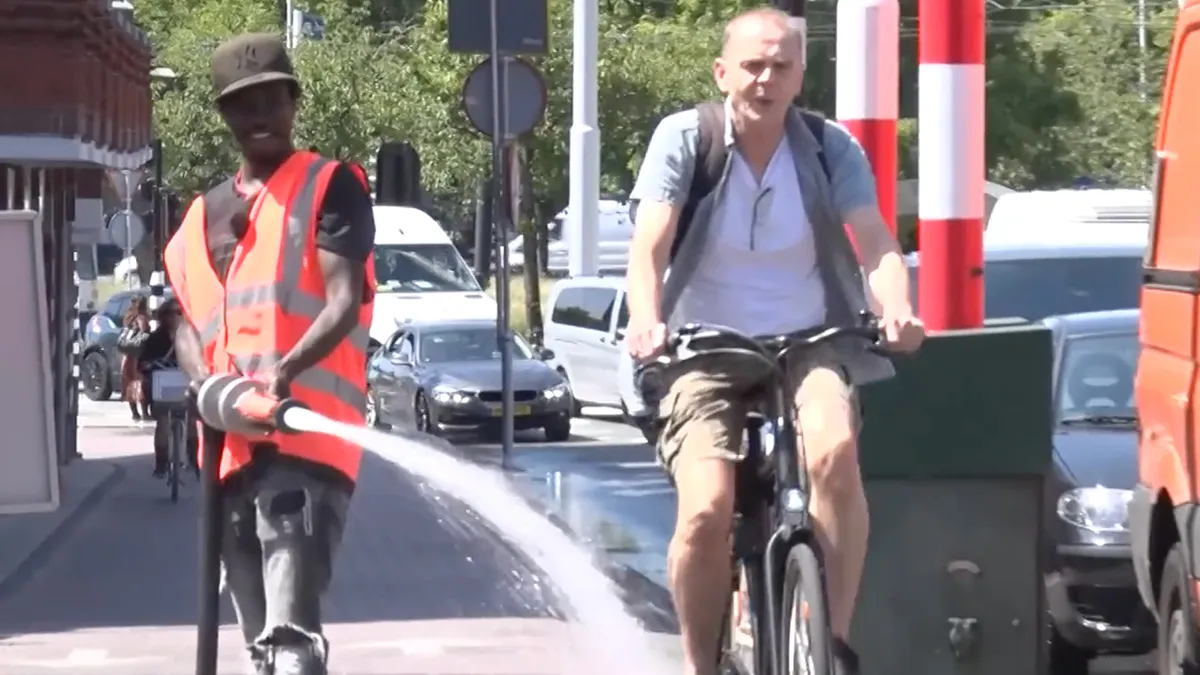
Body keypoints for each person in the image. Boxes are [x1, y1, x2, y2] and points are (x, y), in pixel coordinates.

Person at [624, 8, 924, 675]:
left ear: (799, 77)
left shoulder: (827, 146)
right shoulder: (685, 138)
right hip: (702, 346)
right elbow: (649, 245)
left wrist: (898, 308)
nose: (765, 79)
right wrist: (647, 318)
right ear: (722, 71)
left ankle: (831, 644)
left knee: (836, 450)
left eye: (781, 67)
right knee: (705, 509)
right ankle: (702, 662)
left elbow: (874, 241)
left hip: (812, 337)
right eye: (753, 65)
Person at [163, 33, 376, 675]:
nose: (258, 116)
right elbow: (183, 317)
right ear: (223, 115)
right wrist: (204, 383)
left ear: (293, 103)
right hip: (227, 455)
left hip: (306, 446)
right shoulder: (201, 215)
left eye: (270, 100)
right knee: (258, 642)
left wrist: (283, 375)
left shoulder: (330, 187)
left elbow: (342, 301)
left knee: (289, 638)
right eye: (241, 104)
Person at [137, 298, 200, 477]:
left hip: (186, 387)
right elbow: (142, 364)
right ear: (164, 317)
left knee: (192, 421)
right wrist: (149, 366)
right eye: (173, 313)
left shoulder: (191, 338)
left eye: (180, 312)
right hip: (162, 389)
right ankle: (161, 463)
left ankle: (194, 460)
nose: (177, 317)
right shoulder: (155, 339)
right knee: (163, 421)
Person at [119, 297, 152, 422]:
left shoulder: (128, 318)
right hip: (137, 357)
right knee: (140, 383)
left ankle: (135, 413)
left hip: (127, 356)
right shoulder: (141, 318)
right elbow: (144, 332)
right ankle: (144, 412)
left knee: (130, 384)